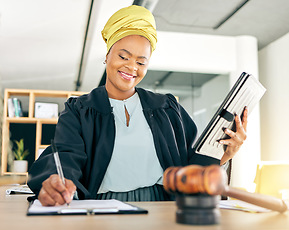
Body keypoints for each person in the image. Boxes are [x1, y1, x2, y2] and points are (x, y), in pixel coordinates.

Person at [27, 5, 248, 206]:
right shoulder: (80, 110)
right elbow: (65, 154)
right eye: (123, 56)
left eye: (141, 62)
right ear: (107, 56)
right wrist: (57, 182)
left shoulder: (167, 108)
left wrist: (225, 154)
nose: (132, 67)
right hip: (104, 206)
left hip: (163, 205)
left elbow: (191, 165)